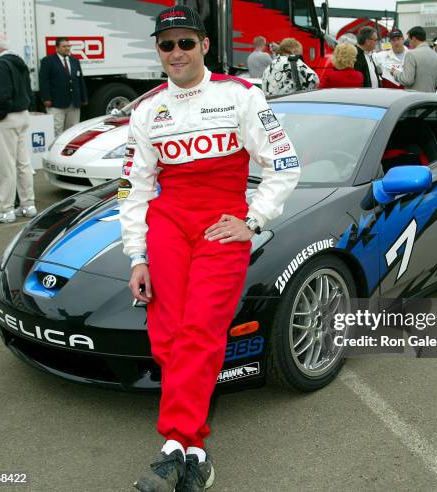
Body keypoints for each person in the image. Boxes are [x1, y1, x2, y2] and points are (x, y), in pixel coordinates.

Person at [119, 6, 300, 491]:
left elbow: (285, 164)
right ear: (157, 50)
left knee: (200, 328)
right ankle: (193, 443)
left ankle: (178, 443)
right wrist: (137, 255)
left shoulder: (241, 94)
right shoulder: (145, 108)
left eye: (185, 42)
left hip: (222, 222)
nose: (176, 52)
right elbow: (131, 189)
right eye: (166, 44)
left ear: (204, 45)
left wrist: (252, 220)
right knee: (166, 336)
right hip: (168, 222)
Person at [0, 31, 36, 224]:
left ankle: (5, 210)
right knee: (23, 164)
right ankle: (28, 205)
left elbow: (2, 94)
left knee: (4, 165)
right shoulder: (18, 61)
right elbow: (28, 89)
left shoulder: (0, 64)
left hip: (7, 118)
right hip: (22, 115)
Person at [39, 37, 88, 137]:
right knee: (57, 130)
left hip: (74, 102)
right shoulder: (48, 61)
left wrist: (84, 97)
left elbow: (80, 80)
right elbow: (44, 81)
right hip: (56, 103)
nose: (67, 48)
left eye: (68, 46)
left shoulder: (74, 61)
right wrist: (46, 98)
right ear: (56, 48)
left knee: (73, 130)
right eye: (64, 46)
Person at [391, 26, 437, 93]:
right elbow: (436, 82)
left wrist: (395, 72)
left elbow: (407, 80)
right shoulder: (435, 55)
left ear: (413, 38)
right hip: (430, 97)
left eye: (409, 40)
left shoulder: (411, 54)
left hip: (415, 99)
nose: (408, 43)